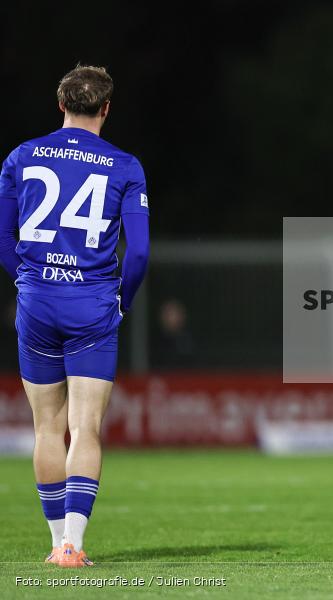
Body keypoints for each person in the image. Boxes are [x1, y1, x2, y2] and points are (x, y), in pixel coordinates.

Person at [0, 65, 150, 568]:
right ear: (106, 108)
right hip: (91, 304)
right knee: (85, 428)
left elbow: (4, 238)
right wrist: (121, 299)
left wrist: (26, 281)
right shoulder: (125, 166)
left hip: (37, 301)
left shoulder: (21, 156)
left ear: (60, 104)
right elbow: (140, 253)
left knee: (47, 428)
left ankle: (53, 541)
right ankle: (74, 545)